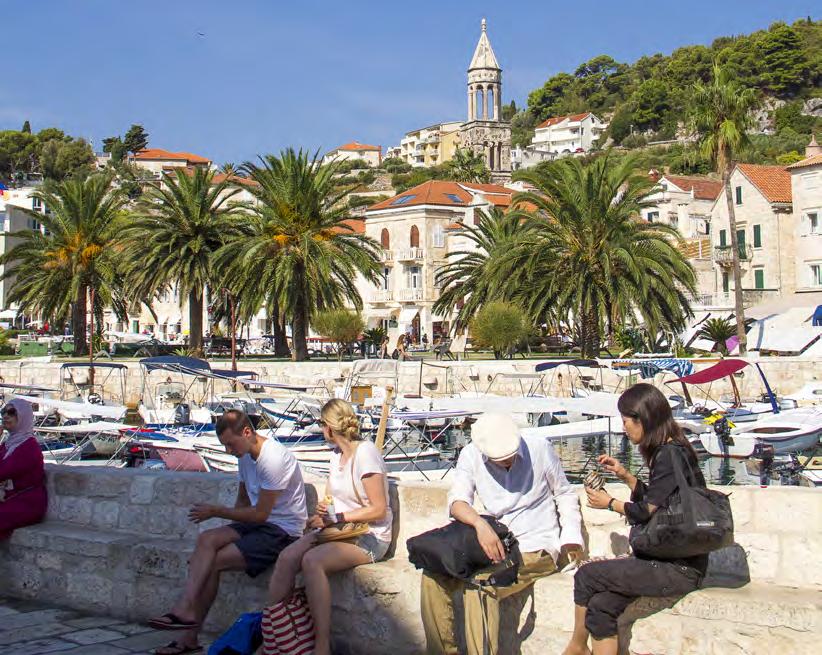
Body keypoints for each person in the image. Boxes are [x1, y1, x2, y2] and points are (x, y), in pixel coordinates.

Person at [562, 383, 708, 655]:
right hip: (678, 561)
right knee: (601, 607)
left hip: (677, 567)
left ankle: (577, 647)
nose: (624, 427)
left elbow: (645, 512)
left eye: (626, 421)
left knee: (585, 575)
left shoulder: (667, 454)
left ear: (643, 419)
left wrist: (610, 504)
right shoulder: (677, 448)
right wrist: (627, 477)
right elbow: (661, 501)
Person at [421, 413, 583, 655]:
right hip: (494, 542)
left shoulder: (539, 448)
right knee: (433, 575)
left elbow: (564, 493)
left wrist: (571, 537)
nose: (507, 462)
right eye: (501, 459)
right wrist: (479, 524)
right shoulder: (471, 454)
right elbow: (457, 501)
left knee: (482, 584)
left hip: (535, 545)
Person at [149, 410, 307, 655]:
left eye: (230, 445)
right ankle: (185, 608)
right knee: (207, 540)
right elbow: (243, 502)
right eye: (225, 446)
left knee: (214, 562)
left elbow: (261, 514)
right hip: (257, 525)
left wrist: (215, 511)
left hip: (281, 531)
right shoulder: (245, 455)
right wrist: (230, 530)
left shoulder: (274, 459)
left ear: (246, 432)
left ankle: (187, 635)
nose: (228, 451)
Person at [268, 399, 392, 655]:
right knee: (287, 557)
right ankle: (275, 635)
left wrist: (339, 517)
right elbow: (330, 500)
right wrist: (321, 514)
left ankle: (321, 644)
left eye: (321, 425)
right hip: (341, 530)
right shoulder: (336, 456)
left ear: (328, 427)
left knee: (313, 561)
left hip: (370, 535)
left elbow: (378, 509)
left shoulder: (365, 454)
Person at [0, 399, 47, 540]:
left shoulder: (29, 447)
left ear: (23, 416)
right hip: (10, 498)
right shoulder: (8, 445)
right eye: (3, 412)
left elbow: (2, 471)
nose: (5, 416)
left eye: (11, 412)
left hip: (26, 503)